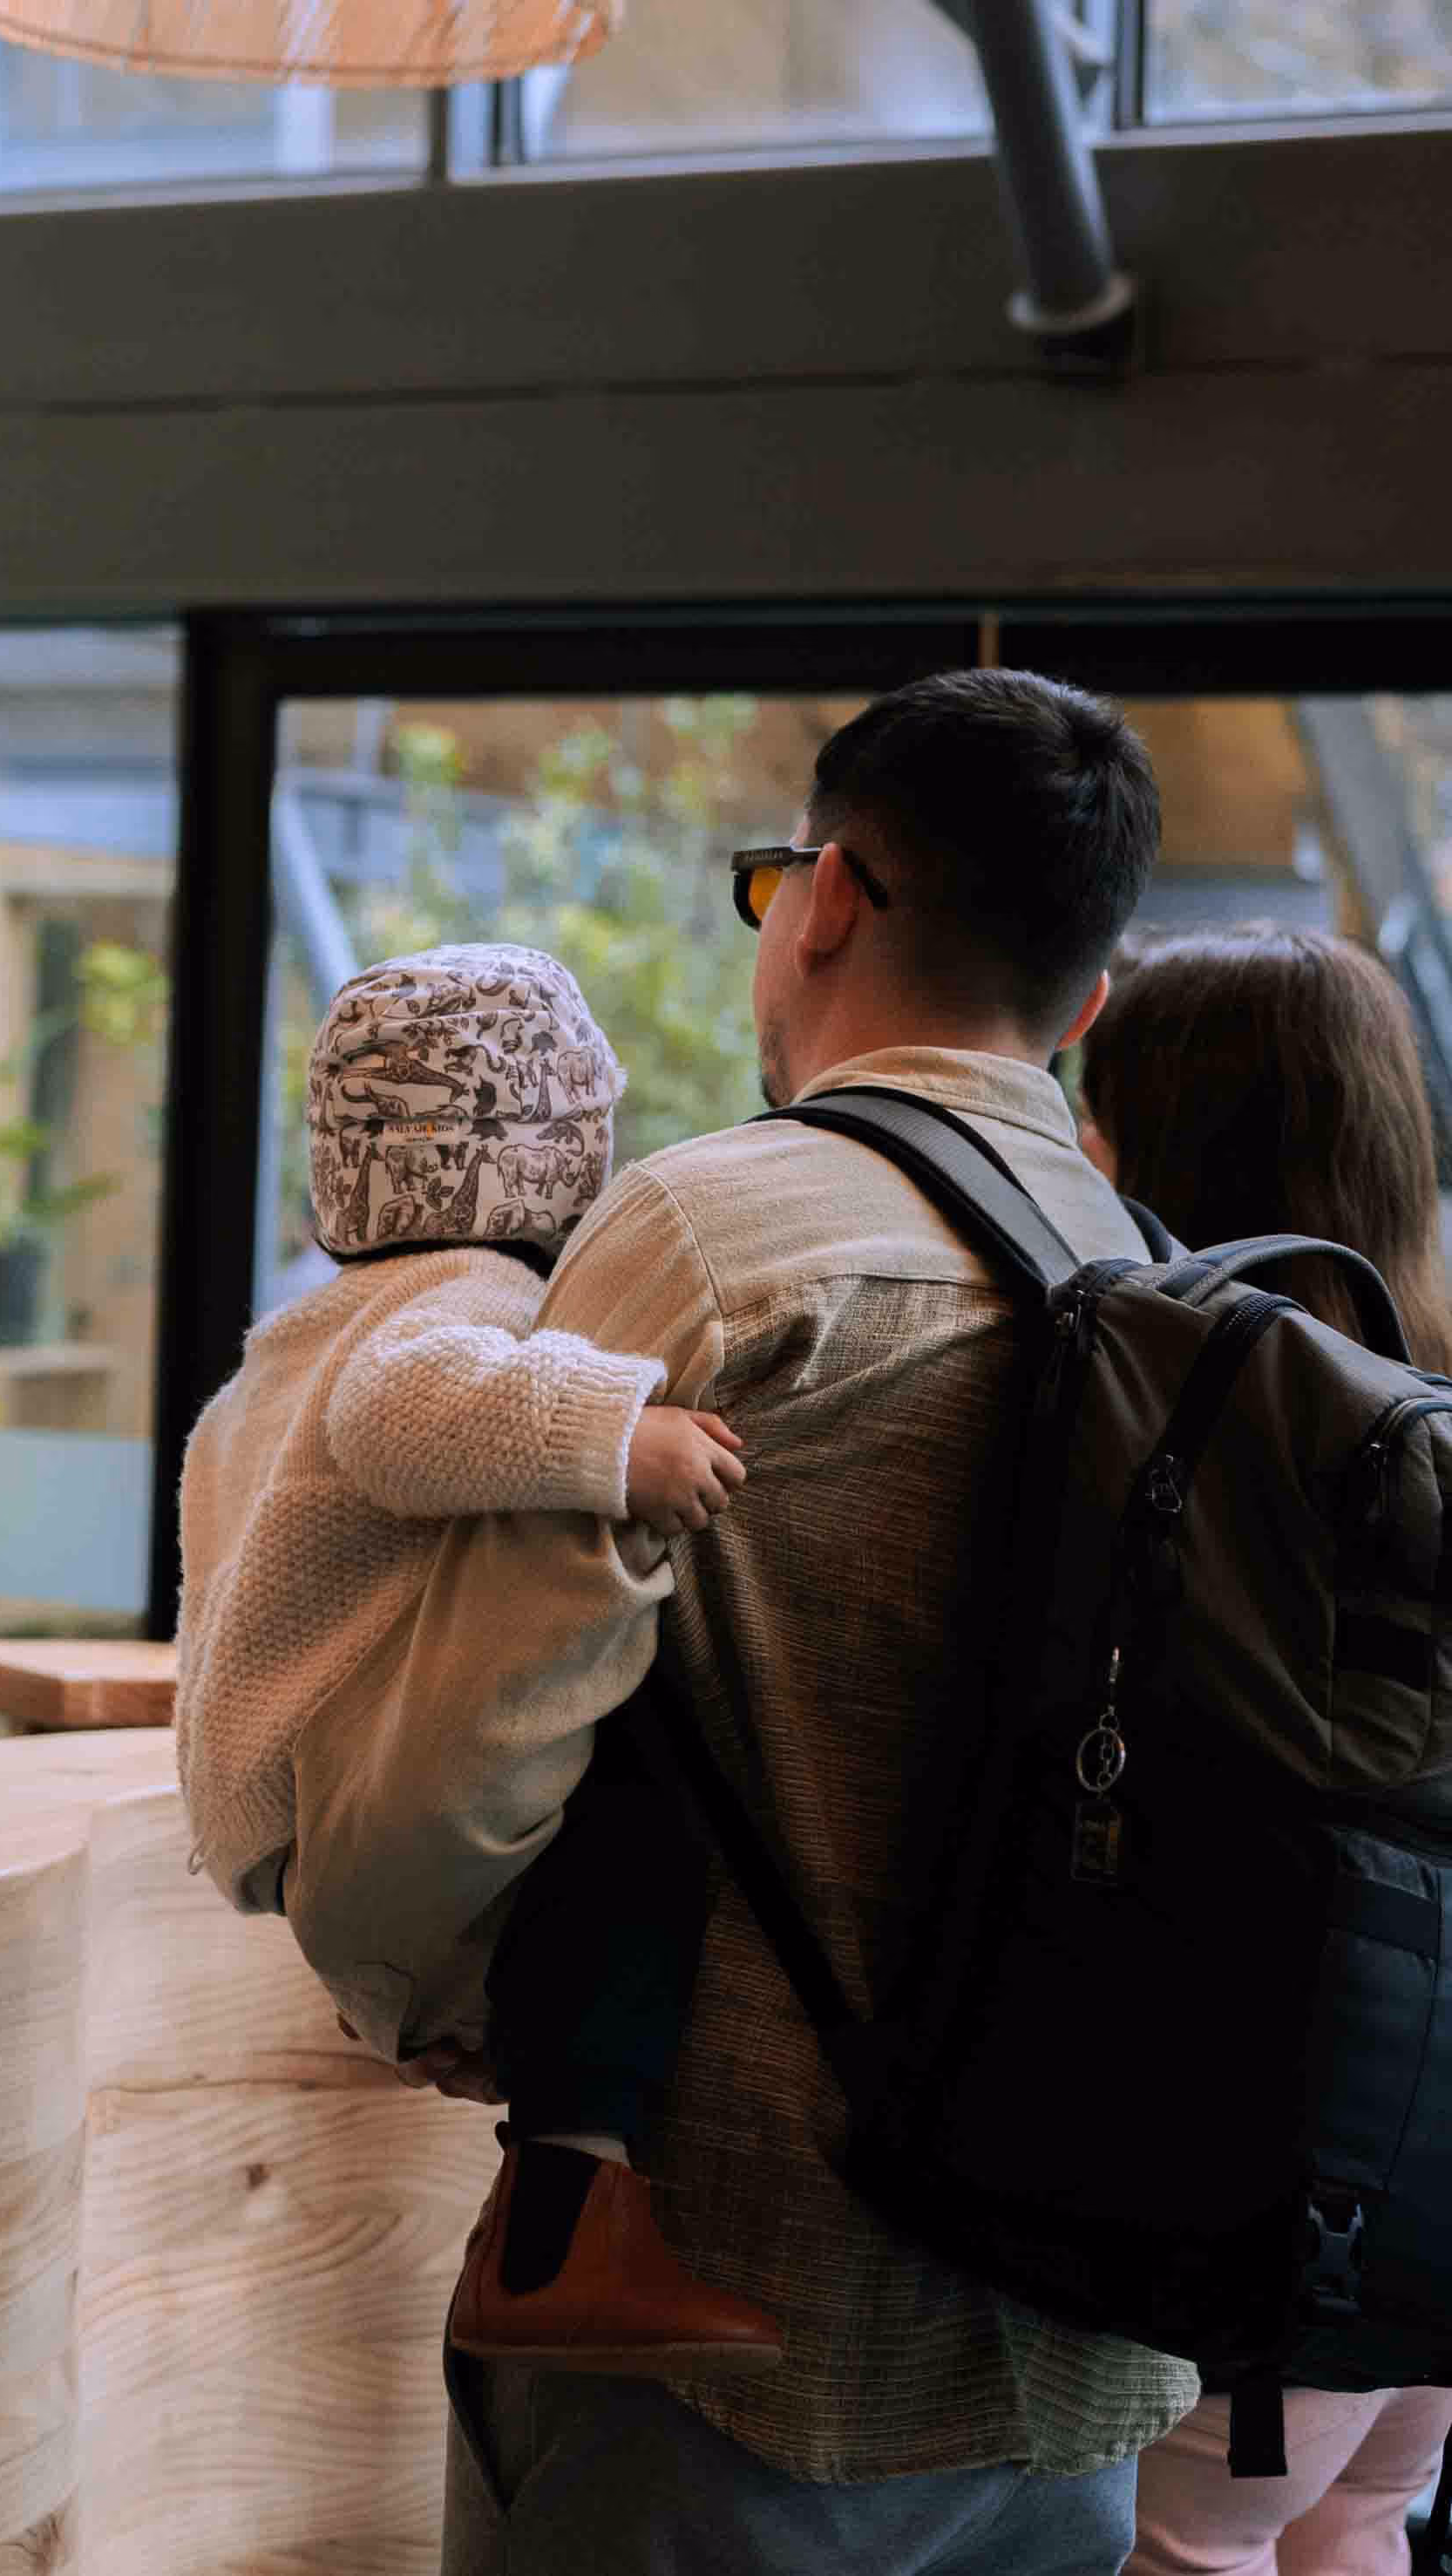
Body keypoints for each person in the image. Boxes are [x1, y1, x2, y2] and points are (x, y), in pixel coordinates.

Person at [270, 669, 1195, 2575]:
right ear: (1088, 1000)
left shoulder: (715, 1231)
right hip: (1080, 2343)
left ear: (831, 899)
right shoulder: (1164, 1279)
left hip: (718, 2318)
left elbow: (468, 1755)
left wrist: (440, 2013)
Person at [178, 940, 781, 2375]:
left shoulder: (294, 1341)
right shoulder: (458, 1301)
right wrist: (615, 1438)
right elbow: (408, 1414)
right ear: (560, 1156)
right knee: (638, 1789)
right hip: (353, 1773)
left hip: (282, 1811)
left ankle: (548, 2150)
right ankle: (575, 2207)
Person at [1075, 925, 1452, 2576]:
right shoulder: (1430, 1387)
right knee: (1360, 2521)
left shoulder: (1189, 1412)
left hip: (1259, 2174)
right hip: (1431, 2152)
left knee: (1190, 2549)